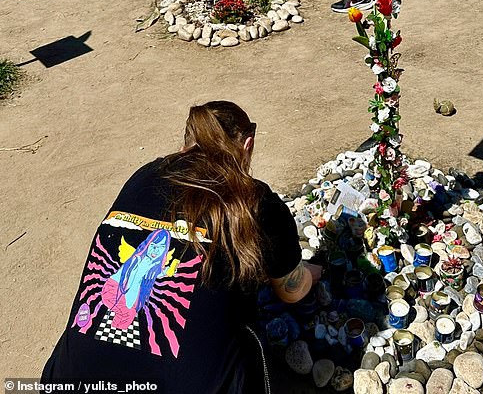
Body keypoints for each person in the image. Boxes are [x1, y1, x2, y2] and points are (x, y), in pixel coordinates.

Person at [42, 101, 320, 393]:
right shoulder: (256, 200)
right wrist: (313, 271)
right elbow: (292, 291)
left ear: (188, 143)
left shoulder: (143, 175)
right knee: (249, 331)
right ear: (247, 144)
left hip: (65, 379)